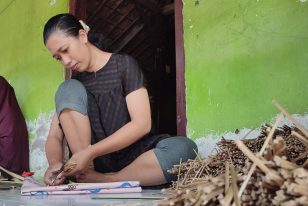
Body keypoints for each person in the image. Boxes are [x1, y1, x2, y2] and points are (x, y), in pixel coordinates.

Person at [43, 13, 197, 186]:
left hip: (133, 158)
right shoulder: (74, 86)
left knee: (184, 149)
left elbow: (142, 124)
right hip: (92, 164)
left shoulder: (124, 66)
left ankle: (109, 180)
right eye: (58, 58)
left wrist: (91, 152)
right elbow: (54, 136)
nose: (65, 61)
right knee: (67, 87)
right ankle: (88, 174)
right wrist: (55, 163)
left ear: (82, 36)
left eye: (65, 50)